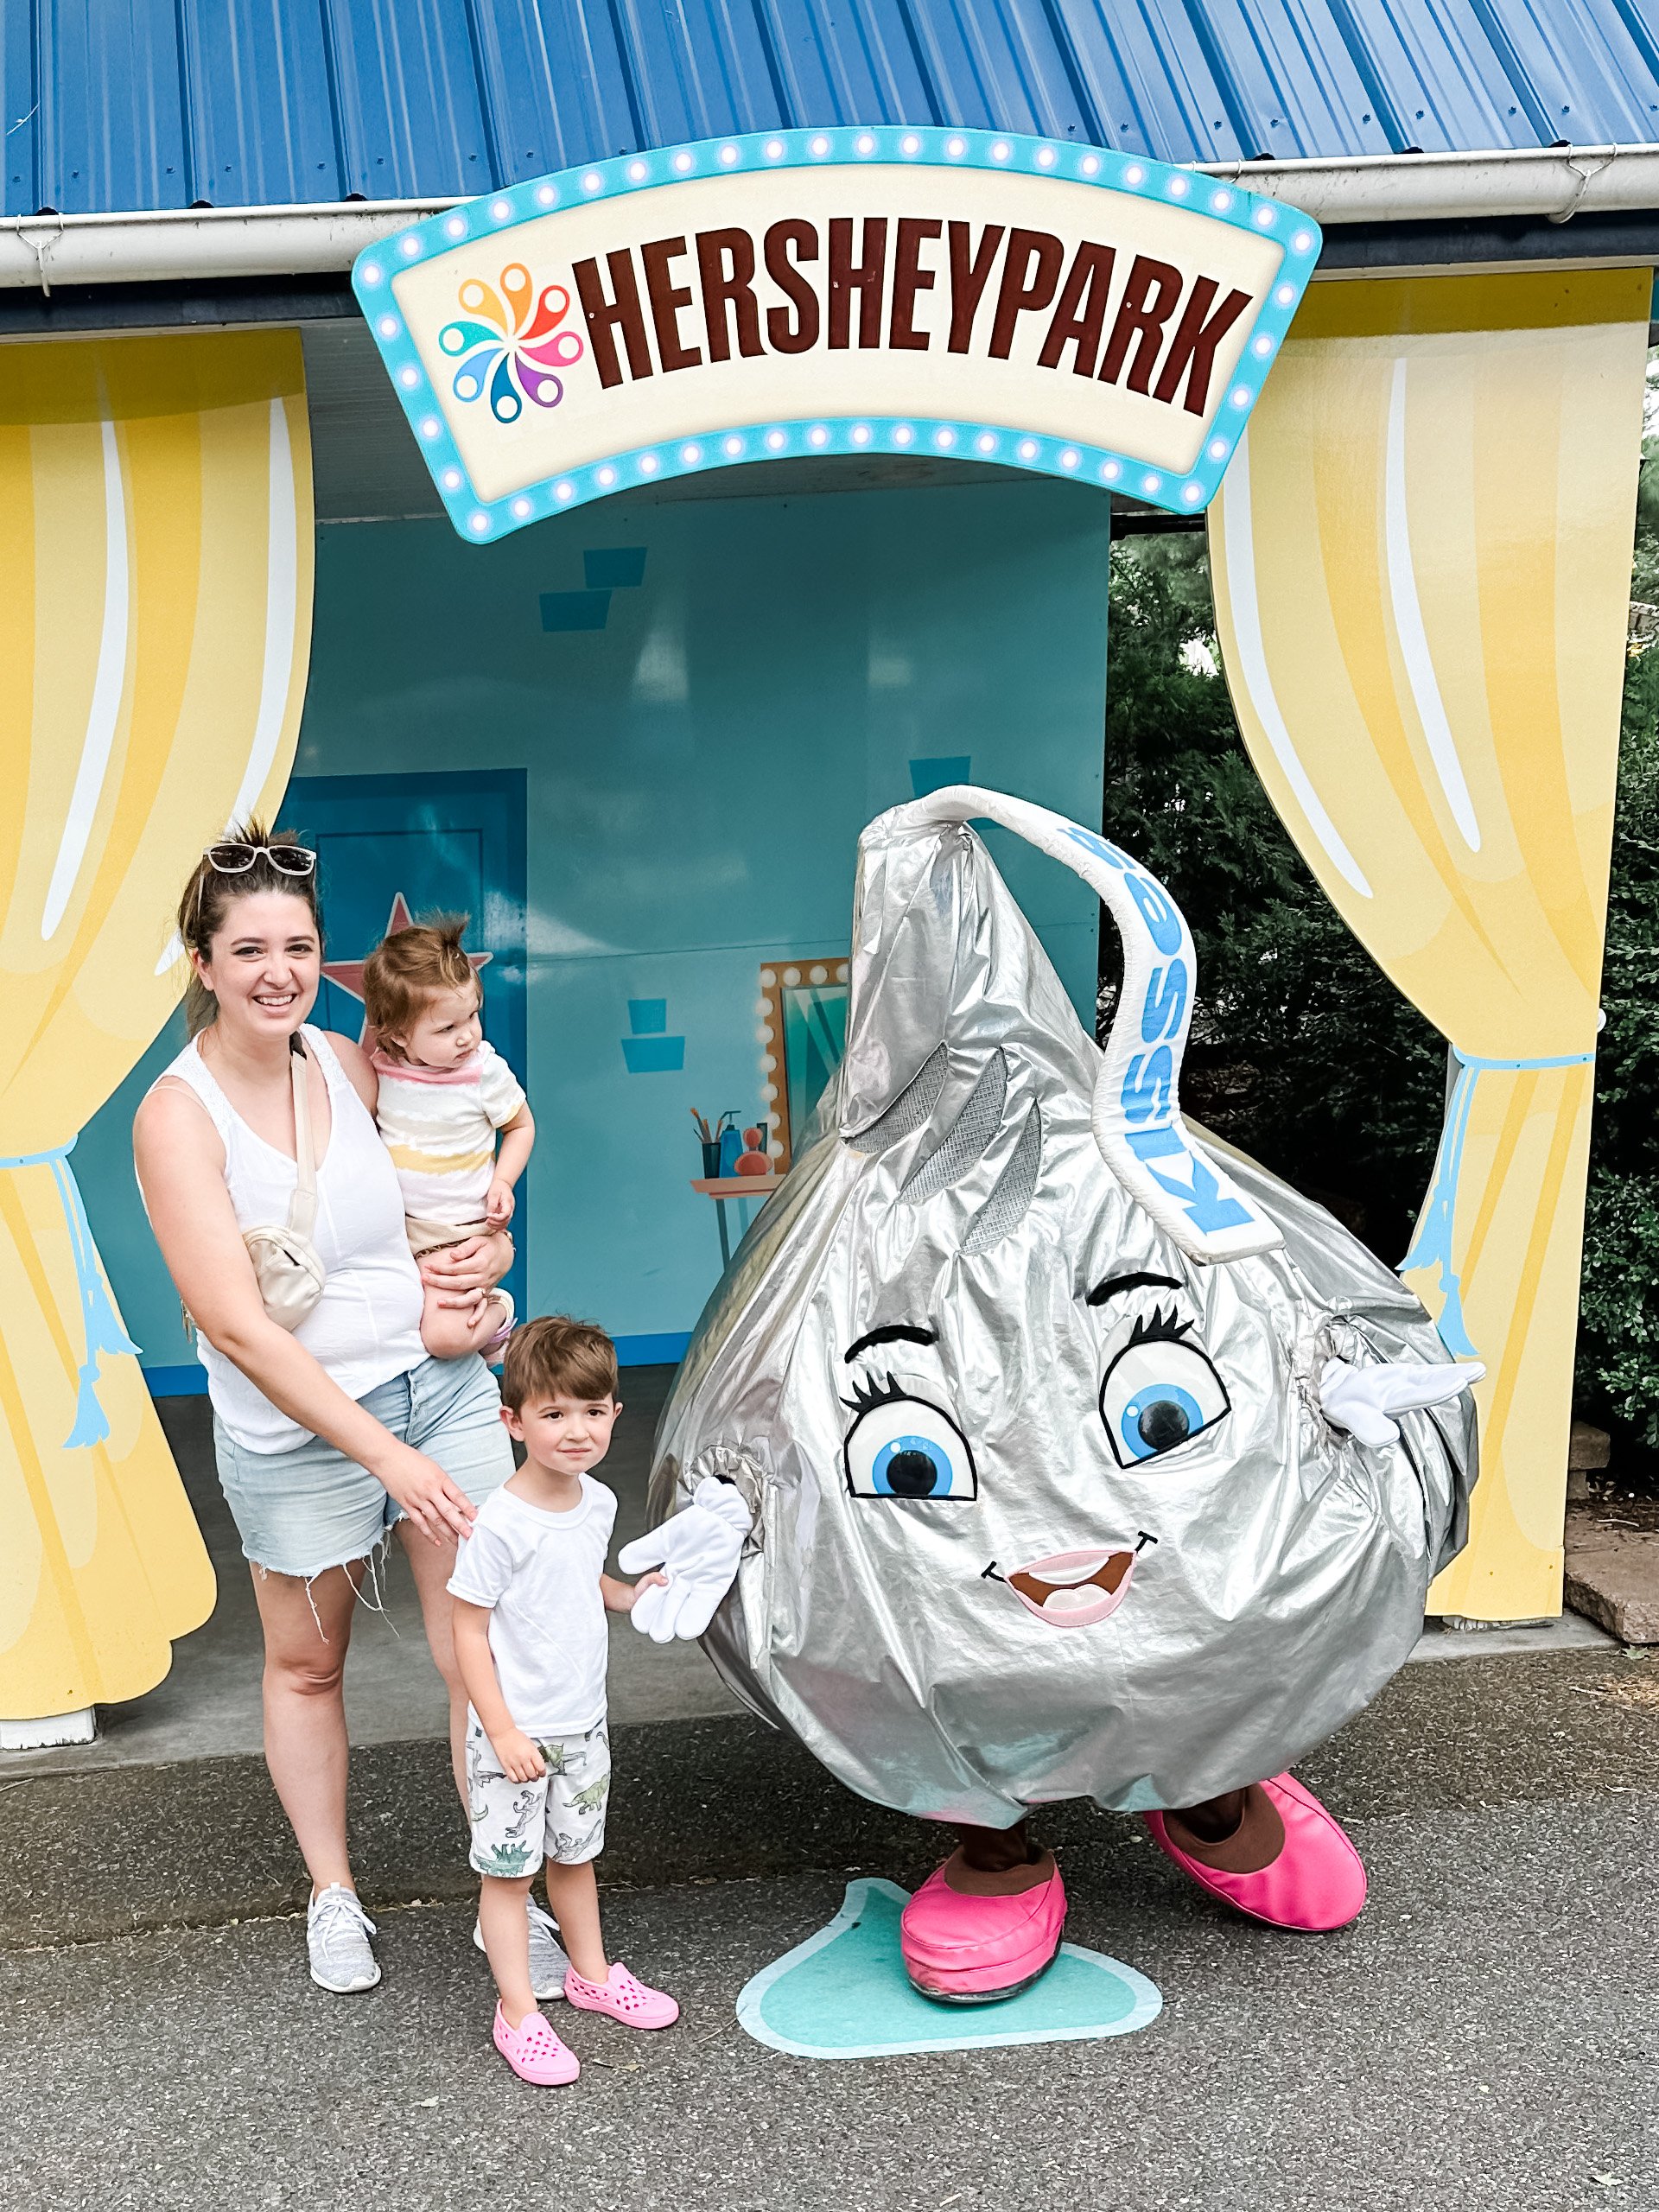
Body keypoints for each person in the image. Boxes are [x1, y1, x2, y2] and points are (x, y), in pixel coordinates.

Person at [132, 829, 560, 1999]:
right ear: (204, 961)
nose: (277, 968)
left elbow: (442, 1187)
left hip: (443, 1382)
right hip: (298, 1430)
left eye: (299, 946)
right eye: (250, 947)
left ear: (323, 960)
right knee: (307, 1665)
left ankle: (508, 1899)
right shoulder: (178, 1117)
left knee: (486, 1648)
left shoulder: (347, 1059)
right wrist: (384, 1455)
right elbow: (237, 1326)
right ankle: (334, 1894)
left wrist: (488, 1253)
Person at [449, 1316, 679, 2086]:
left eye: (591, 1410)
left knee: (576, 1859)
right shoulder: (500, 1525)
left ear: (615, 1413)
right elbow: (468, 1632)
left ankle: (591, 1973)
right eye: (553, 1414)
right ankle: (518, 2011)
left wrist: (628, 1594)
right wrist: (502, 1729)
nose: (575, 1431)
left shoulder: (599, 1503)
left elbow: (585, 1581)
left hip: (583, 1725)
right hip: (516, 1737)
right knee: (509, 1876)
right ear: (513, 1422)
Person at [359, 918, 534, 1361]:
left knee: (445, 1339)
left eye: (472, 1015)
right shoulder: (380, 1069)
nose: (467, 1035)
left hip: (461, 1233)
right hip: (402, 1232)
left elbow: (520, 1126)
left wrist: (503, 1182)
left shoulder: (482, 1071)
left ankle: (500, 1315)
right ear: (398, 1035)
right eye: (445, 1029)